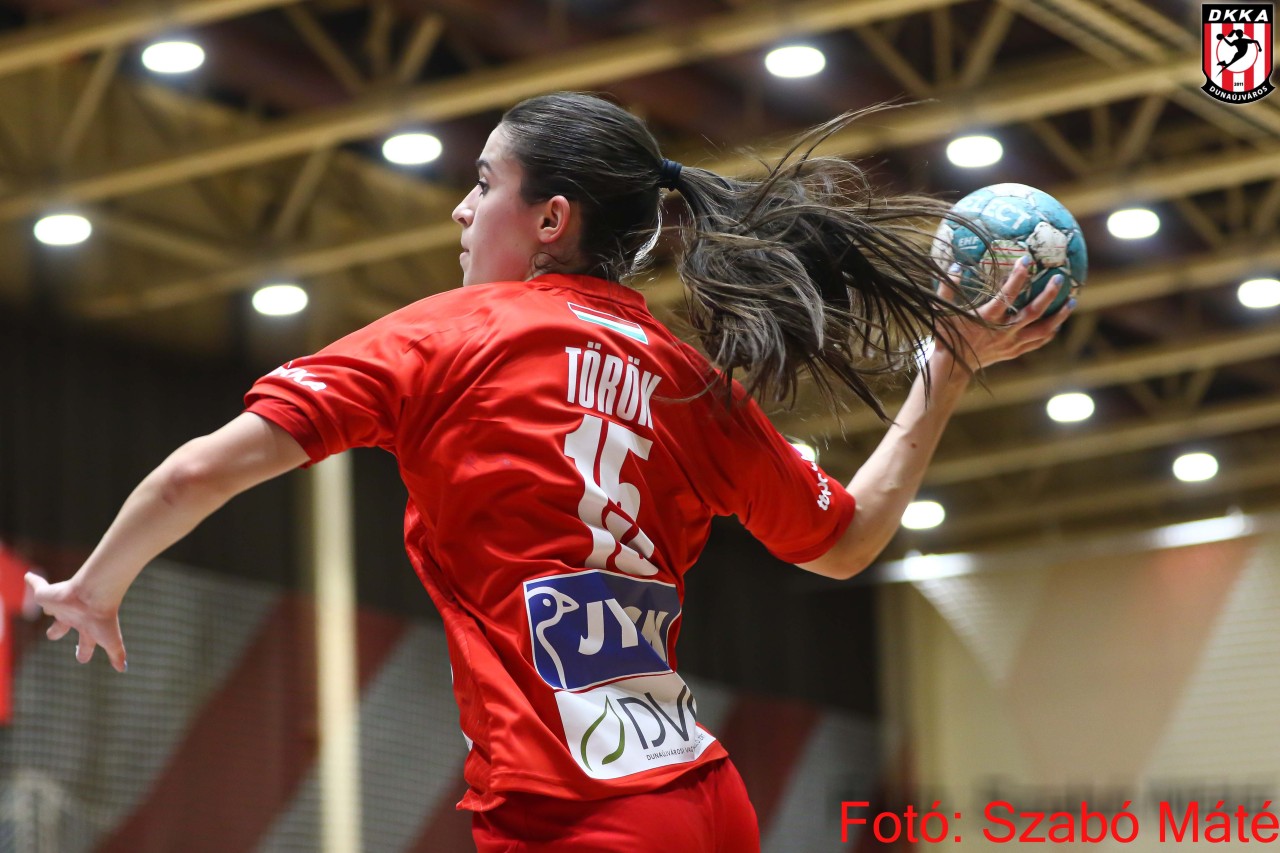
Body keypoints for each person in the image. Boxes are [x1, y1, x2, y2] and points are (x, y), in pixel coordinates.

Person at [25, 92, 1072, 851]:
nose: (460, 209)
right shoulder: (681, 376)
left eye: (483, 183)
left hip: (573, 813)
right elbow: (844, 541)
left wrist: (96, 586)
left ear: (551, 219)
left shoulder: (446, 336)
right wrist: (942, 370)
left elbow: (195, 475)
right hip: (706, 804)